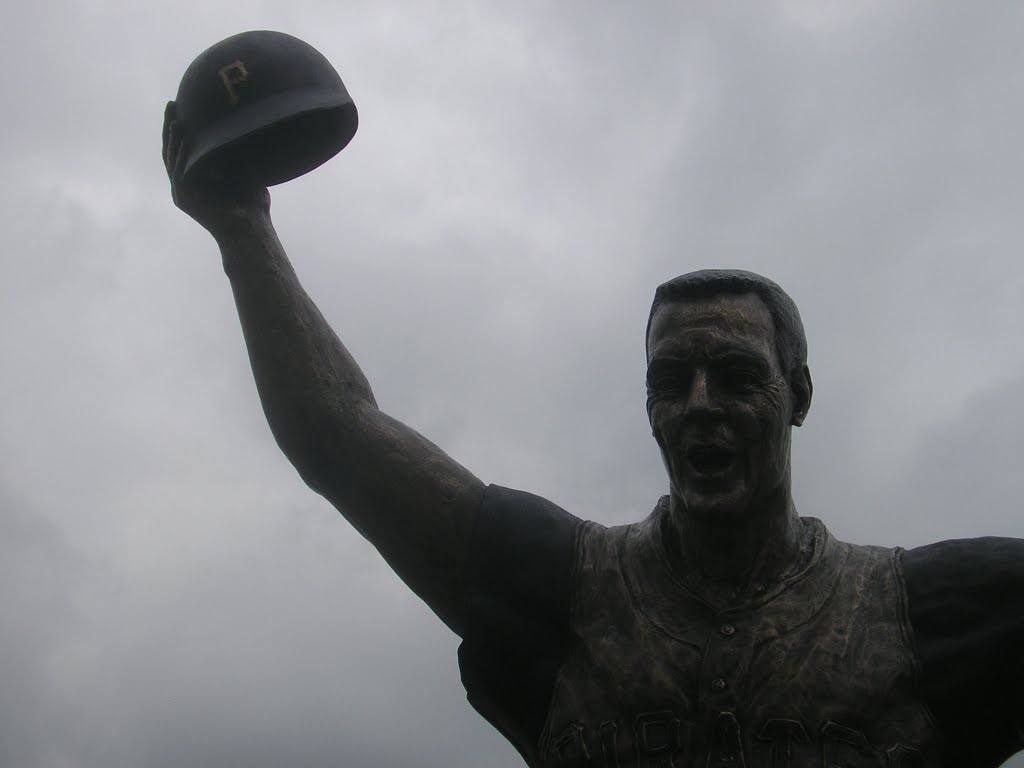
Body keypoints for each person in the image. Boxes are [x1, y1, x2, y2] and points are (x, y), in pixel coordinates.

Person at [163, 103, 1024, 768]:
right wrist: (243, 227)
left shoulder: (925, 612)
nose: (698, 404)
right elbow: (339, 433)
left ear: (795, 395)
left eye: (735, 376)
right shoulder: (560, 587)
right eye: (668, 380)